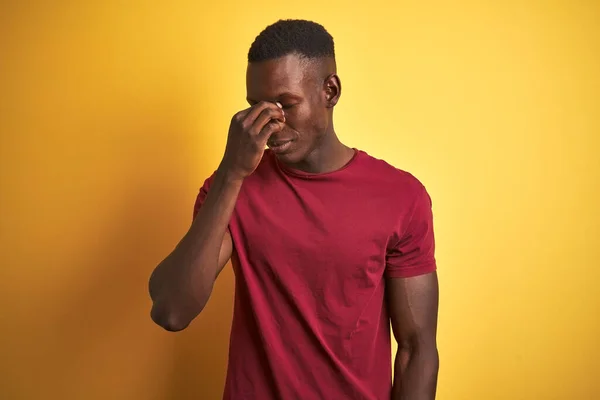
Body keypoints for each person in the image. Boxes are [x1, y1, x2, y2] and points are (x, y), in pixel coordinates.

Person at [148, 19, 439, 400]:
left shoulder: (401, 197)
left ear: (329, 90)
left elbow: (417, 349)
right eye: (257, 107)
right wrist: (231, 174)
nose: (269, 125)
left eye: (285, 104)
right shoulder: (230, 189)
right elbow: (172, 310)